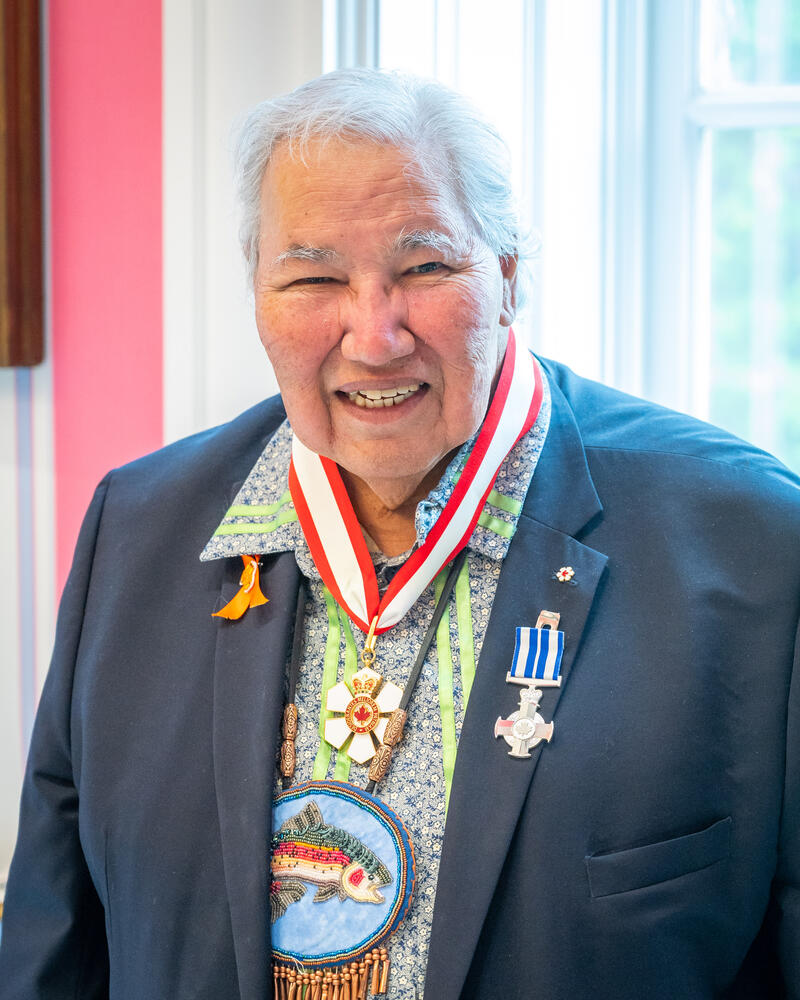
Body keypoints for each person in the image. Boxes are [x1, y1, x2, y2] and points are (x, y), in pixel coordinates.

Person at [0, 68, 798, 1000]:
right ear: (257, 290)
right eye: (313, 276)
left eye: (424, 268)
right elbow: (55, 947)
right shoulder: (137, 533)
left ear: (506, 276)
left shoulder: (750, 545)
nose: (374, 336)